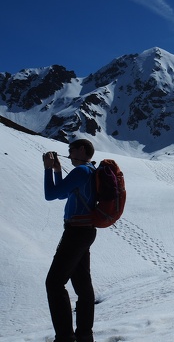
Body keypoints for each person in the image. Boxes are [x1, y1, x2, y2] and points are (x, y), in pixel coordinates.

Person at [43, 139, 97, 342]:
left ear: (81, 150)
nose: (69, 153)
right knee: (82, 285)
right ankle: (84, 335)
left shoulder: (81, 171)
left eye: (71, 149)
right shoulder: (89, 170)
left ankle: (65, 337)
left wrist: (48, 170)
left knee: (54, 283)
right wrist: (58, 171)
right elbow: (61, 195)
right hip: (85, 231)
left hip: (75, 232)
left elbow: (50, 195)